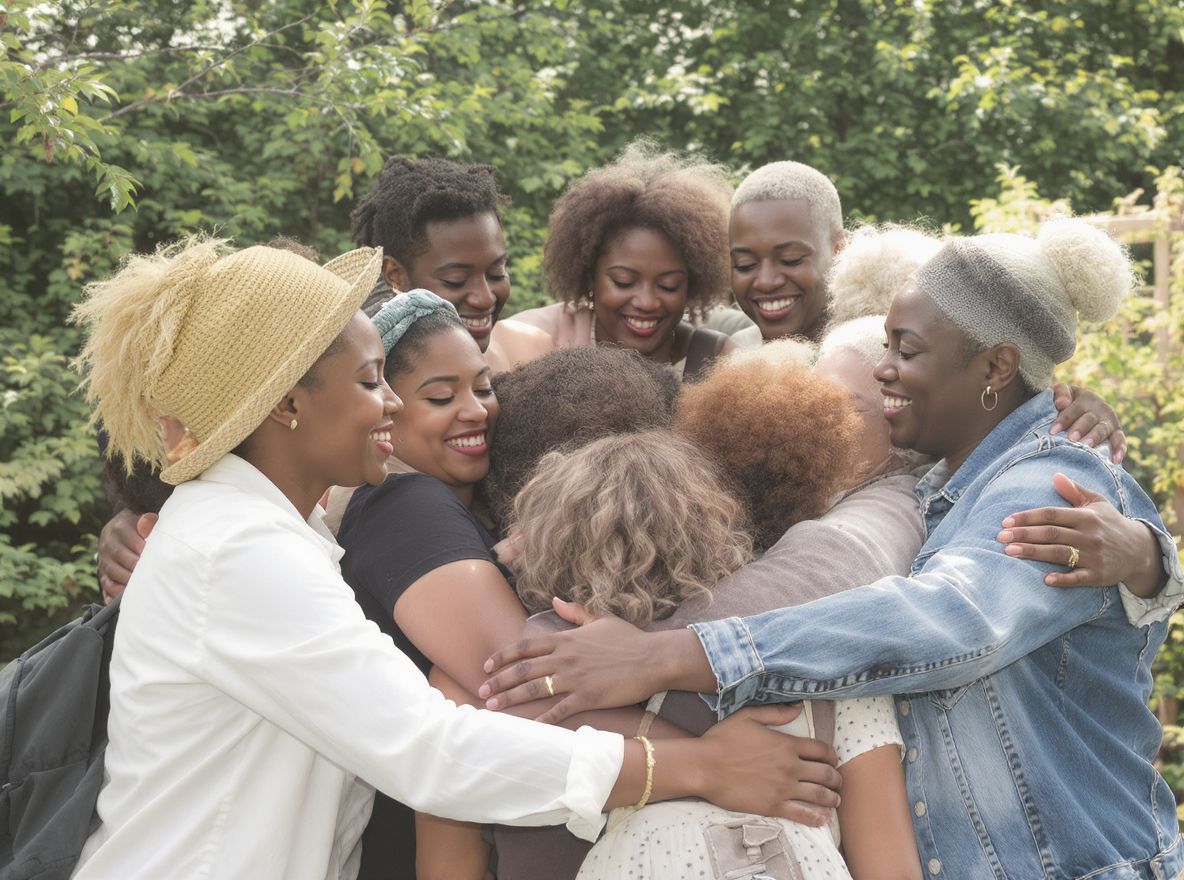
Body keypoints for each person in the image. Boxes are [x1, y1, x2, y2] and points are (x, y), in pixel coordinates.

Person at [69, 236, 821, 879]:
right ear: (286, 406)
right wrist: (699, 766)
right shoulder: (237, 551)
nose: (391, 404)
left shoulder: (271, 531)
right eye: (371, 380)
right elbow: (432, 751)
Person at [480, 218, 1184, 879]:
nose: (882, 374)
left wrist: (664, 656)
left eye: (905, 351)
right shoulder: (947, 486)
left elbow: (950, 618)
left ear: (996, 367)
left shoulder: (1048, 481)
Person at [501, 141, 735, 379]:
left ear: (691, 285)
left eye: (668, 286)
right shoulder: (534, 341)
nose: (647, 302)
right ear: (590, 277)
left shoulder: (714, 361)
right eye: (624, 282)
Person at [350, 155, 553, 372]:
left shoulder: (533, 352)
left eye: (496, 273)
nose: (485, 298)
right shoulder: (371, 384)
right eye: (455, 280)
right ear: (395, 274)